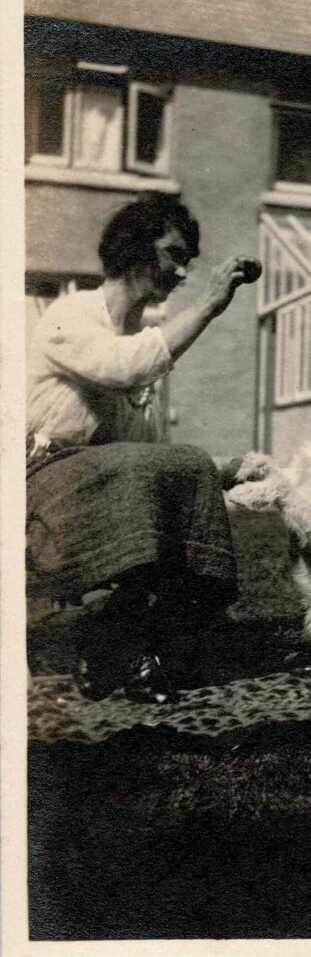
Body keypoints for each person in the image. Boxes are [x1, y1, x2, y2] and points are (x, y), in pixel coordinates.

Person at [26, 192, 259, 703]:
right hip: (39, 487)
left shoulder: (145, 339)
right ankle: (123, 642)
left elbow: (147, 452)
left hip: (101, 488)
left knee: (181, 466)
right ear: (134, 249)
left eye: (187, 262)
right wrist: (208, 307)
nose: (181, 272)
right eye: (173, 255)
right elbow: (124, 365)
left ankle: (127, 645)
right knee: (143, 471)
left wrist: (231, 468)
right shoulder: (68, 315)